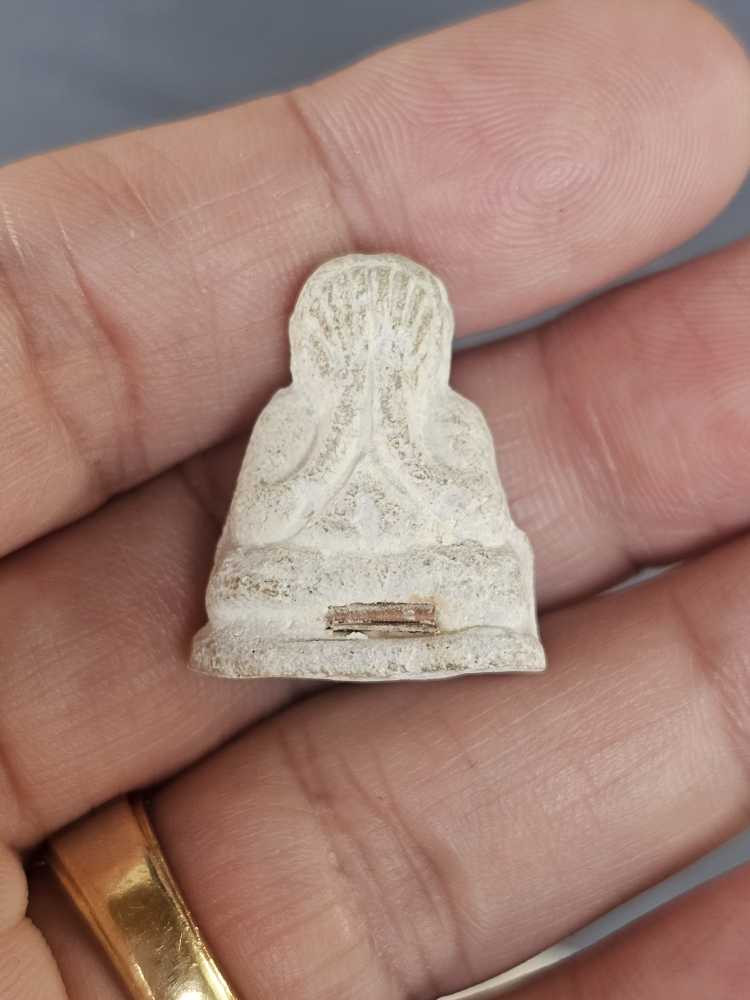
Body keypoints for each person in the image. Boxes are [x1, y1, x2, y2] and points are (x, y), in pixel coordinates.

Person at [1, 0, 749, 997]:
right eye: (354, 338)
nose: (374, 357)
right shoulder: (293, 418)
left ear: (424, 345)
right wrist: (332, 453)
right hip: (306, 590)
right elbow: (260, 540)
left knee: (484, 579)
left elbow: (483, 538)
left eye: (395, 341)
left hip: (420, 591)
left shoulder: (450, 422)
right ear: (320, 341)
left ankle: (396, 624)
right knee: (258, 590)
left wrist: (405, 453)